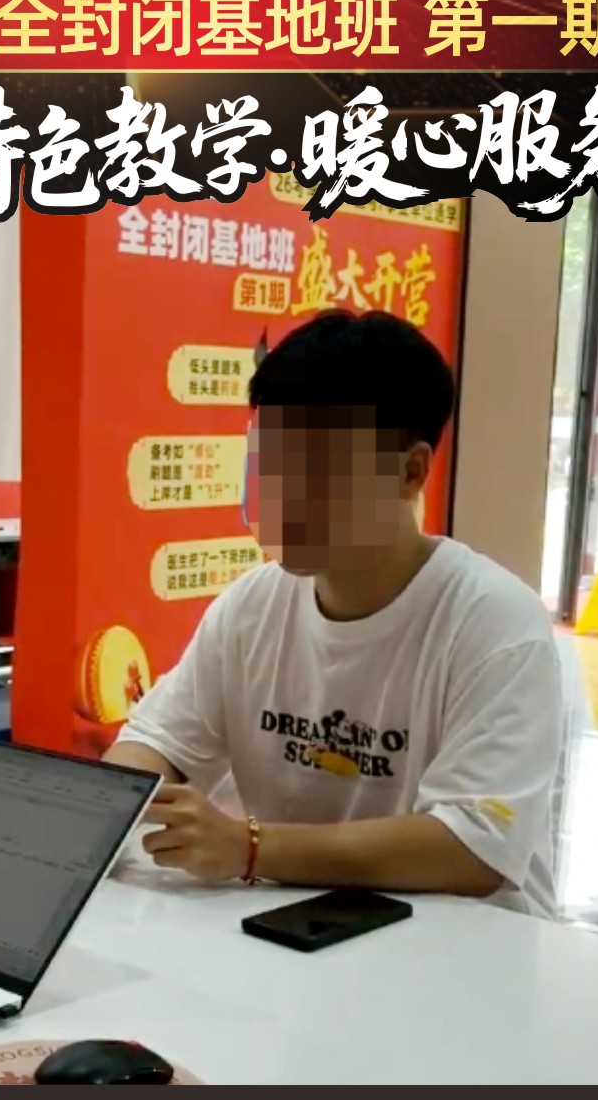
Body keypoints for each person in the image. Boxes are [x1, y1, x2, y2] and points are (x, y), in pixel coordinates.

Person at [105, 309, 562, 917]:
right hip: (299, 928)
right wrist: (111, 803)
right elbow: (154, 746)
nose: (284, 496)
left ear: (410, 471)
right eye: (271, 463)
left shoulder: (495, 624)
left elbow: (471, 850)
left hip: (468, 945)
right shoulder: (251, 608)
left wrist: (250, 848)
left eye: (319, 469)